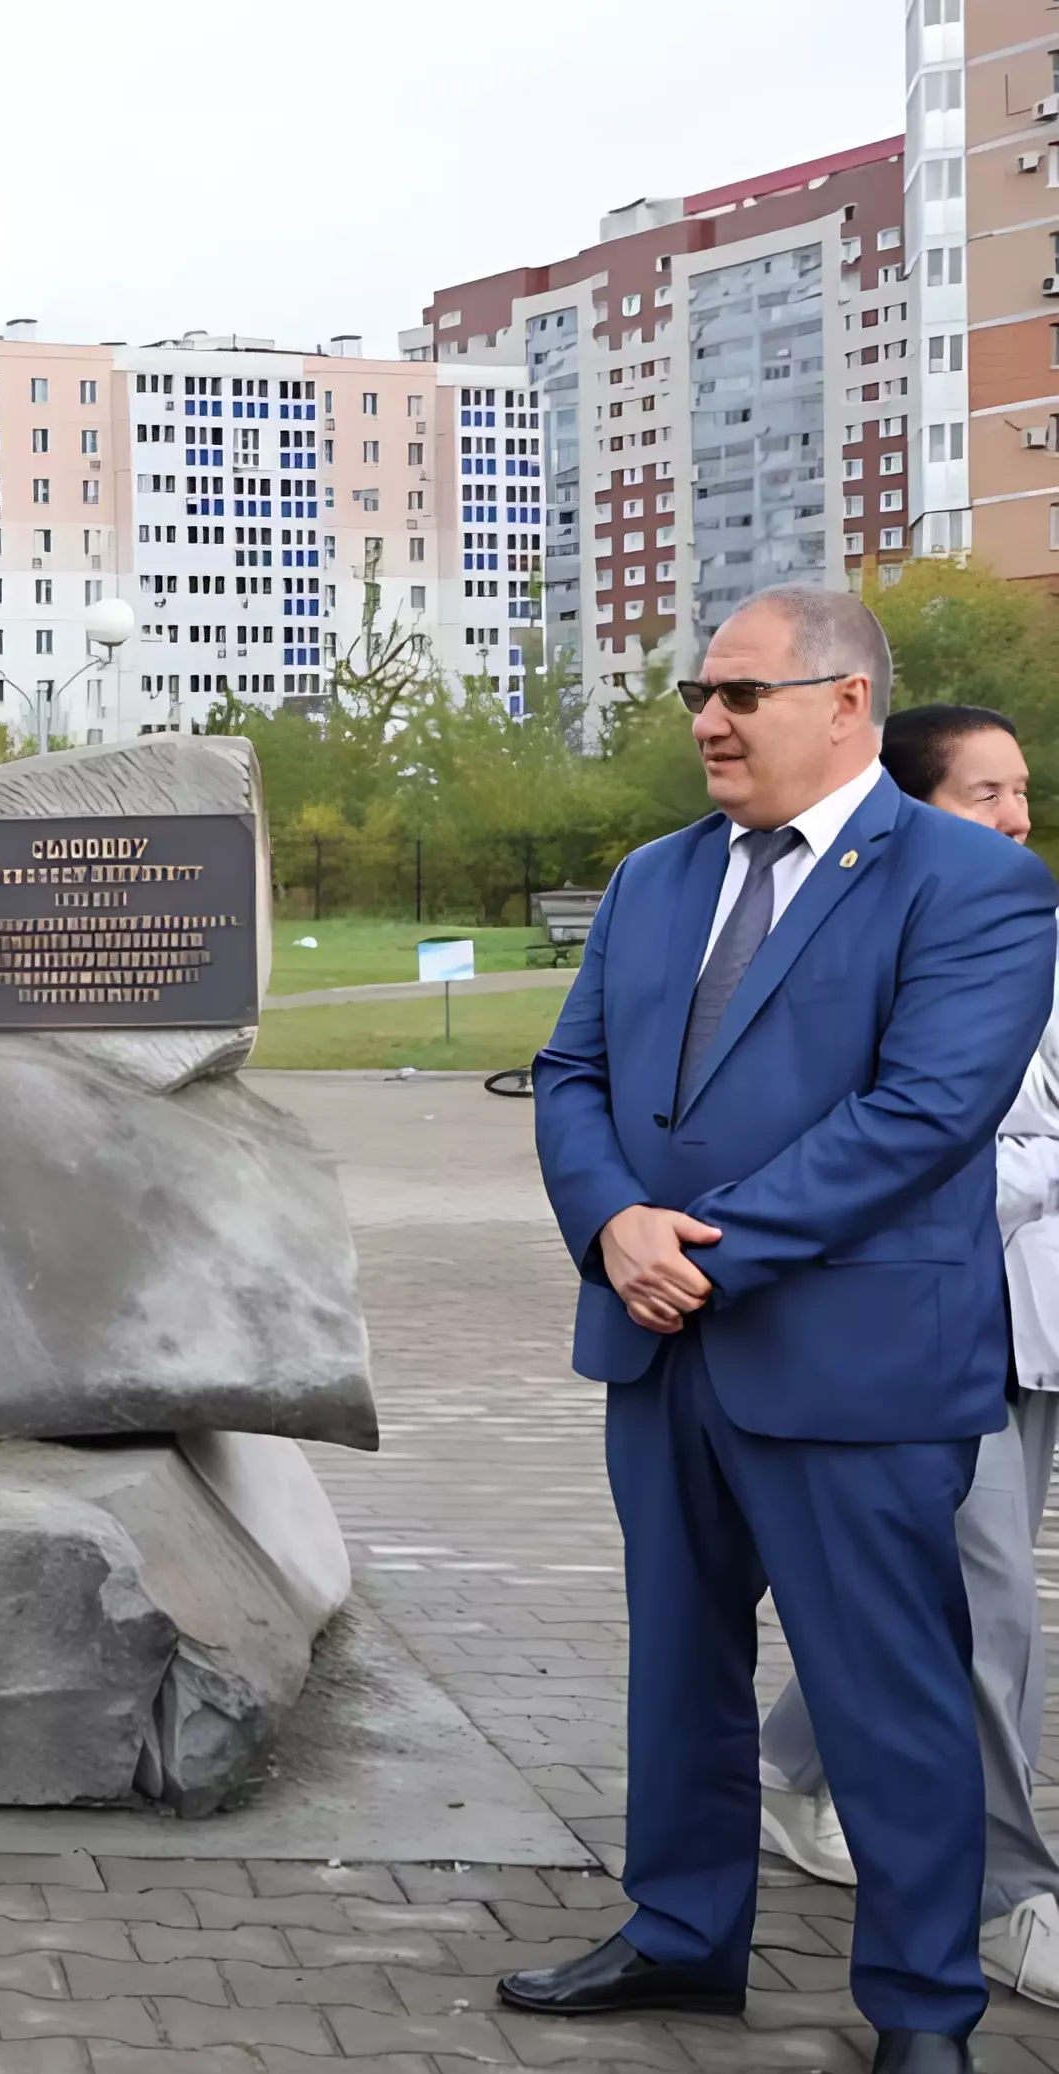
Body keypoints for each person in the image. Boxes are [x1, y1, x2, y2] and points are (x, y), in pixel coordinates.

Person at [515, 586, 1056, 2073]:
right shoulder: (653, 876)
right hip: (659, 1340)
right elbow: (570, 1071)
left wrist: (704, 1253)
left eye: (744, 692)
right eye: (702, 690)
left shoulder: (970, 883)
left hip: (856, 1364)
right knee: (679, 1667)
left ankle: (924, 2006)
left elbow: (926, 1113)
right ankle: (684, 1937)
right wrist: (612, 1223)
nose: (708, 717)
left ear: (847, 704)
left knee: (889, 1694)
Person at [755, 702, 1059, 2005]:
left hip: (1032, 1328)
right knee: (988, 1611)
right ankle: (1011, 1894)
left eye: (1023, 788)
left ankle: (785, 1763)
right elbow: (904, 1145)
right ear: (907, 807)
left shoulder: (1032, 938)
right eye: (983, 790)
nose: (1017, 814)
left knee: (920, 1600)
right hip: (926, 1328)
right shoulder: (850, 950)